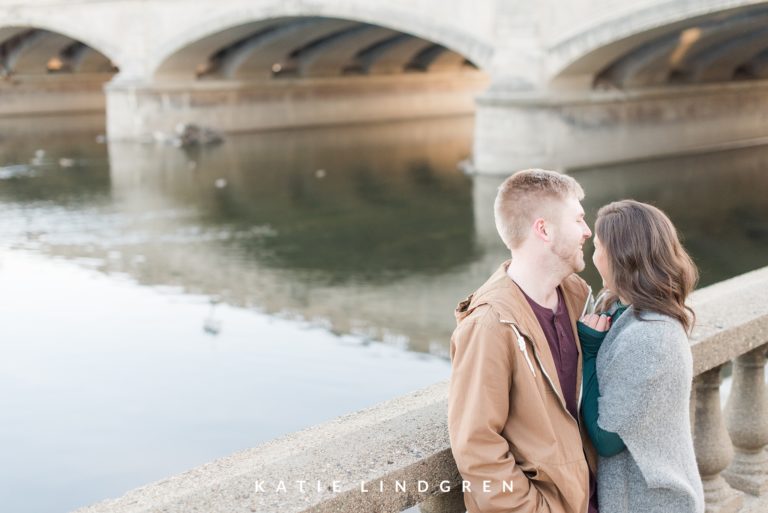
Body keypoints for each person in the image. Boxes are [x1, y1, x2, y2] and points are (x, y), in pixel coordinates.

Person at [448, 169, 598, 513]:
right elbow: (477, 448)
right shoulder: (489, 324)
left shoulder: (577, 295)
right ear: (543, 229)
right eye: (579, 220)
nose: (587, 232)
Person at [578, 200, 705, 513]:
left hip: (653, 502)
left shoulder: (650, 337)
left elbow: (608, 439)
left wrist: (591, 354)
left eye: (597, 246)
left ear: (621, 256)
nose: (592, 256)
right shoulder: (631, 311)